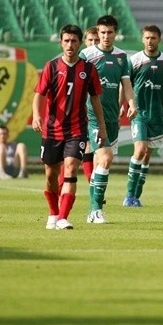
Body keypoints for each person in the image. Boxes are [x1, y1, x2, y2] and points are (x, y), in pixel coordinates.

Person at [33, 24, 107, 230]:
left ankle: (64, 217)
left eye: (74, 41)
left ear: (80, 43)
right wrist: (37, 116)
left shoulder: (88, 69)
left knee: (71, 168)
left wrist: (101, 126)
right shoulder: (52, 66)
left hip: (77, 129)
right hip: (52, 129)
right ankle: (53, 213)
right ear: (61, 42)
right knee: (50, 175)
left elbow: (95, 99)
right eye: (66, 41)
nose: (70, 45)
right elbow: (39, 94)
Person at [80, 15, 137, 224]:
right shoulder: (87, 55)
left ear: (116, 33)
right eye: (102, 32)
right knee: (105, 159)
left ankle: (91, 210)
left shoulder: (122, 57)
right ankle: (96, 210)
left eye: (109, 32)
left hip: (113, 117)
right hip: (93, 116)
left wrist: (131, 103)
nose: (105, 36)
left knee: (99, 164)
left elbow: (126, 85)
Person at [123, 25, 163, 207]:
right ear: (142, 39)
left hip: (157, 115)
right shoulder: (135, 60)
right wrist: (123, 105)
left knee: (146, 156)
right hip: (139, 113)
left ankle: (136, 195)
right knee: (139, 150)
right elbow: (126, 84)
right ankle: (129, 195)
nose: (150, 41)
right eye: (147, 38)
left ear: (159, 39)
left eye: (153, 38)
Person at [58, 25, 100, 190]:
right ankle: (65, 185)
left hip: (97, 112)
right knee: (73, 154)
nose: (94, 43)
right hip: (76, 114)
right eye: (91, 40)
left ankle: (93, 185)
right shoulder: (77, 60)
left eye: (96, 40)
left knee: (95, 150)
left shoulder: (101, 61)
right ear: (85, 42)